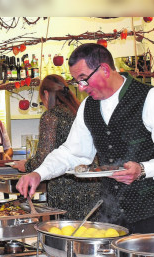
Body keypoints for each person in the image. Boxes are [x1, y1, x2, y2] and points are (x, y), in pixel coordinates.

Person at [17, 43, 154, 234]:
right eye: (77, 82)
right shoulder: (88, 107)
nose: (81, 88)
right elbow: (72, 153)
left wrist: (143, 169)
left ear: (105, 69)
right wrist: (38, 173)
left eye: (84, 79)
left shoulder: (152, 99)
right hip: (113, 216)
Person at [12, 74, 101, 220]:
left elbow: (42, 158)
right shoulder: (79, 111)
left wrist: (27, 166)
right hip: (92, 184)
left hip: (65, 189)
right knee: (88, 232)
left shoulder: (51, 116)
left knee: (66, 234)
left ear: (46, 94)